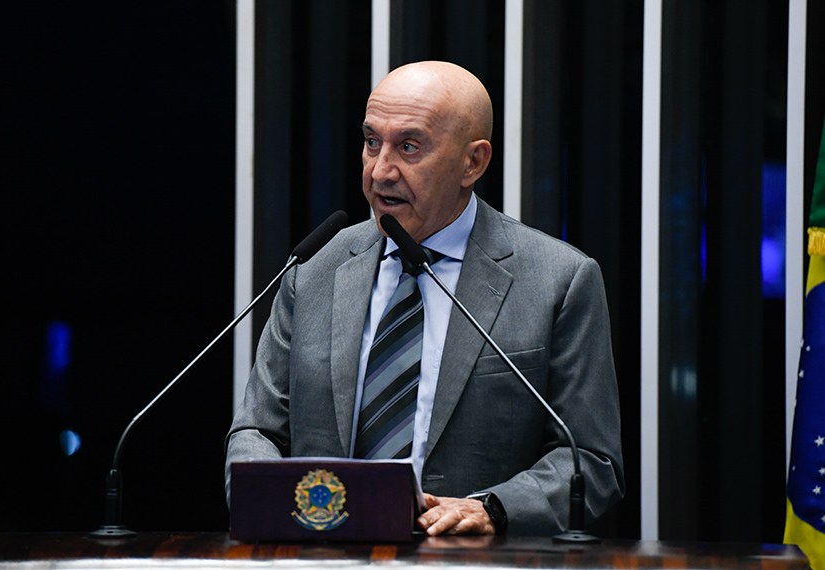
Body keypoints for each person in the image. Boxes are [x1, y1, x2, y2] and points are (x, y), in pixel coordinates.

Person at [225, 60, 624, 536]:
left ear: (472, 162)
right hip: (326, 558)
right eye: (372, 142)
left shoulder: (559, 280)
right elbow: (257, 432)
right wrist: (268, 496)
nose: (380, 171)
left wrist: (493, 509)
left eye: (409, 147)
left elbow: (592, 461)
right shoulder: (314, 270)